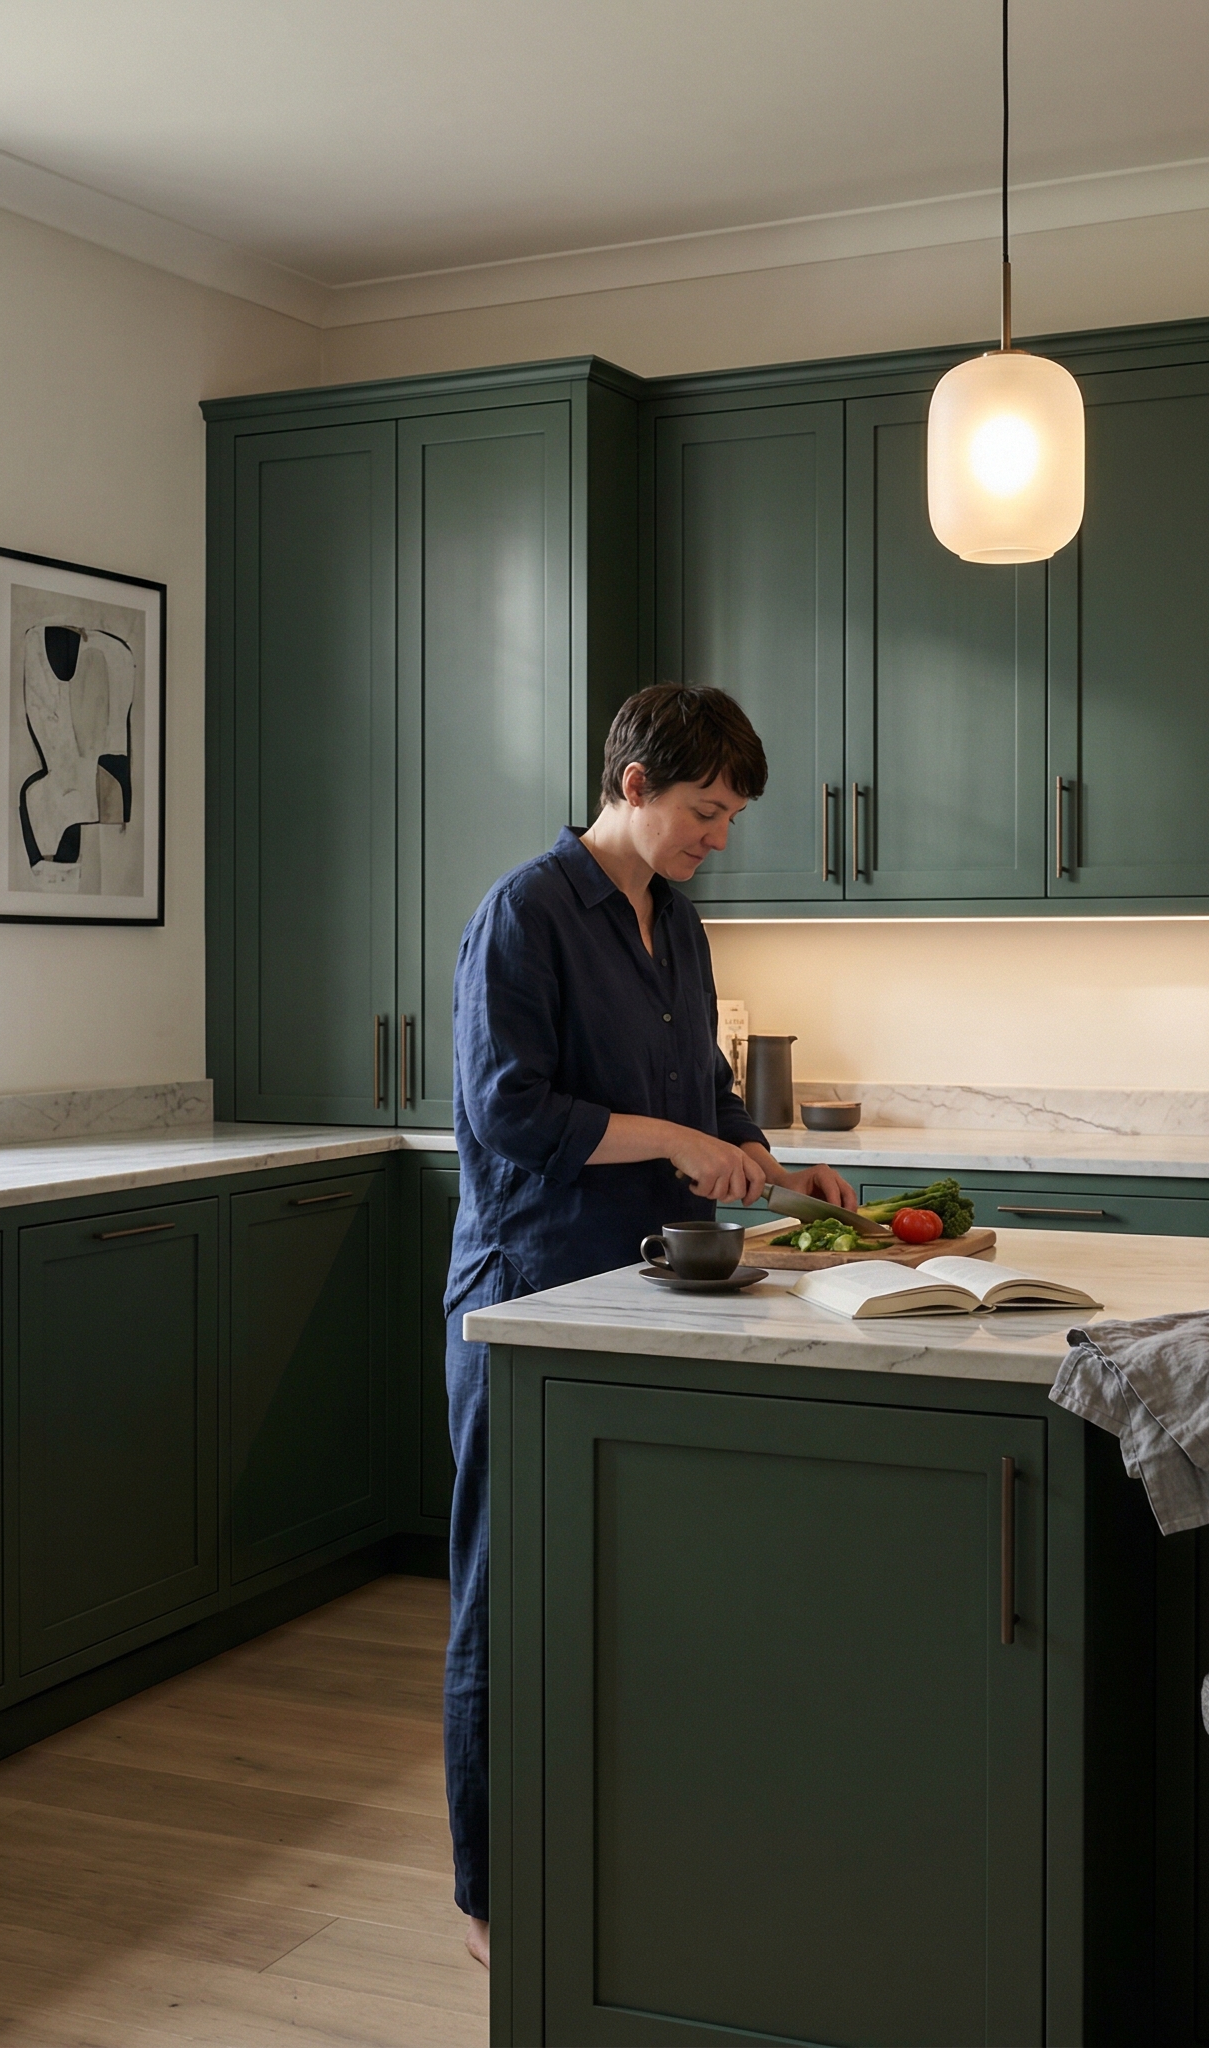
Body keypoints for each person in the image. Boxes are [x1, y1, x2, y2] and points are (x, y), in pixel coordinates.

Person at [440, 682, 859, 1969]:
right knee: (510, 1594)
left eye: (726, 814)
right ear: (630, 784)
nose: (716, 835)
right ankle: (492, 1893)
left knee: (630, 1593)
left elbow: (704, 1092)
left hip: (650, 1290)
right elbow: (513, 1110)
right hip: (534, 1297)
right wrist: (683, 1140)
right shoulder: (523, 913)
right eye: (703, 809)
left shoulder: (673, 923)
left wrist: (768, 1162)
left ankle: (625, 1861)